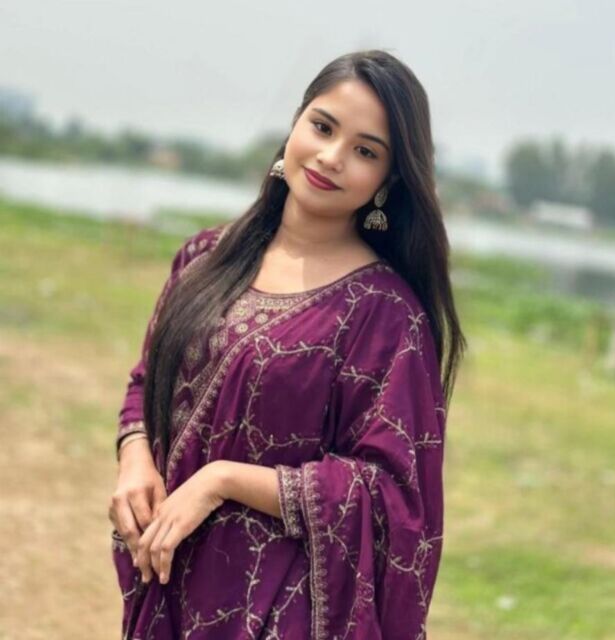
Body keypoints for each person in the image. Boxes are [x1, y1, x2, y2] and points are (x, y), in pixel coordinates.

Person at [109, 48, 466, 639]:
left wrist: (221, 480)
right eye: (323, 127)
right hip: (167, 580)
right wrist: (134, 460)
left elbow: (393, 500)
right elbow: (147, 381)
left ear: (388, 180)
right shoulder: (204, 258)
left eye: (365, 151)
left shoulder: (385, 315)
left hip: (280, 608)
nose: (331, 157)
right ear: (296, 124)